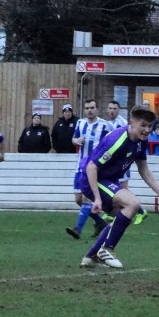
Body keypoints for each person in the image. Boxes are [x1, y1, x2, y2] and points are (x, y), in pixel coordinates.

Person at [78, 106, 159, 269]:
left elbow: (143, 169)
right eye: (143, 125)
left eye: (149, 126)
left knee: (124, 217)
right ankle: (106, 250)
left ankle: (91, 256)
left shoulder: (141, 141)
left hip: (107, 180)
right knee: (132, 204)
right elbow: (91, 167)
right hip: (93, 180)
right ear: (132, 122)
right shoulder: (117, 140)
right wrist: (96, 198)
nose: (146, 130)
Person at [65, 99, 111, 240]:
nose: (89, 110)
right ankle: (100, 222)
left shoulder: (104, 126)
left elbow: (110, 145)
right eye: (87, 108)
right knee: (78, 200)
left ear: (97, 109)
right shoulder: (80, 123)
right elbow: (73, 138)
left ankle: (77, 229)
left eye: (92, 107)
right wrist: (76, 140)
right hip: (80, 166)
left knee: (86, 199)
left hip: (94, 168)